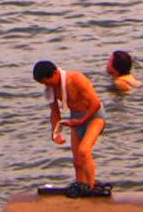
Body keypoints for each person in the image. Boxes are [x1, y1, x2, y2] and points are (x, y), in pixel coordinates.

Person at [32, 60, 108, 195]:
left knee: (84, 151)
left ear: (55, 73)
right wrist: (55, 133)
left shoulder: (76, 79)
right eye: (43, 84)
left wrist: (81, 121)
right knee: (77, 160)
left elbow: (95, 103)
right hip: (76, 118)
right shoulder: (50, 90)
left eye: (47, 82)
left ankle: (91, 187)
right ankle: (81, 186)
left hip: (94, 116)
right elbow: (55, 112)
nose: (47, 85)